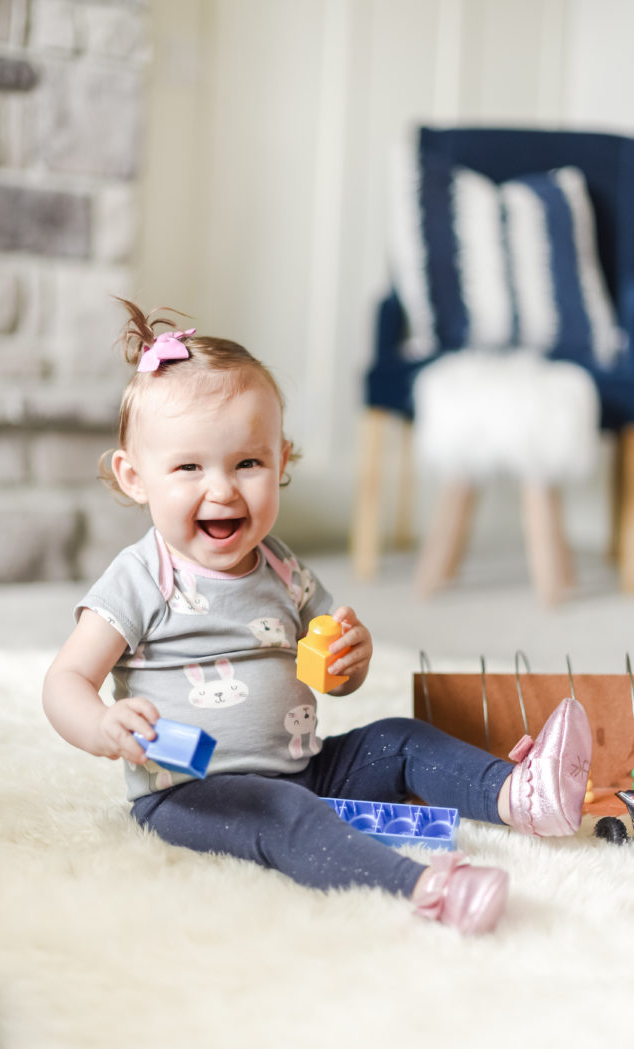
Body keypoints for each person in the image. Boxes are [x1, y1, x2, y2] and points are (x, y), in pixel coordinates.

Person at [43, 298, 592, 935]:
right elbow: (65, 681)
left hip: (305, 765)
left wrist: (349, 661)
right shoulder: (140, 579)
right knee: (286, 817)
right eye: (189, 467)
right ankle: (424, 889)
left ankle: (520, 796)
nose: (222, 489)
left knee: (399, 738)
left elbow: (332, 675)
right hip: (191, 792)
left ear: (282, 462)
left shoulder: (283, 569)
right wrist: (103, 725)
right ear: (135, 477)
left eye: (248, 463)